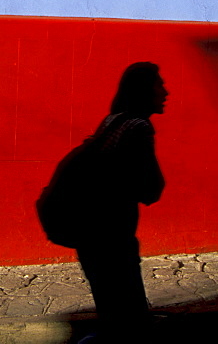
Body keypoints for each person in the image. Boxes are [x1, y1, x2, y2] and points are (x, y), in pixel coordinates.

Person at [70, 62, 168, 340]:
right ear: (144, 90)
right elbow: (150, 188)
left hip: (89, 229)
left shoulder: (112, 121)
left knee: (111, 308)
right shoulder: (139, 127)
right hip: (113, 233)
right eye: (159, 84)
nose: (166, 91)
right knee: (129, 316)